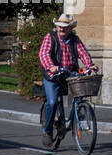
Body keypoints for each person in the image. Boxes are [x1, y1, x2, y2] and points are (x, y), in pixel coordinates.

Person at [37, 12, 96, 147]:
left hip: (69, 73)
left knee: (80, 93)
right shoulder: (50, 37)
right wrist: (51, 66)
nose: (61, 28)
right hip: (52, 75)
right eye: (59, 26)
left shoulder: (75, 39)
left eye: (65, 26)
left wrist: (90, 65)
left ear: (70, 28)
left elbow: (83, 53)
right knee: (52, 102)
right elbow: (44, 53)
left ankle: (78, 112)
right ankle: (47, 131)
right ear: (56, 27)